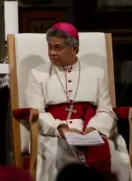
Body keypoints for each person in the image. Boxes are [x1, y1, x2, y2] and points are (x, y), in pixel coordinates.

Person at [24, 22, 131, 181]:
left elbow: (106, 109)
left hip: (91, 130)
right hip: (55, 134)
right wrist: (60, 128)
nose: (52, 53)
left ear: (74, 49)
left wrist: (93, 129)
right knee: (55, 156)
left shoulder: (96, 73)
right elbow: (37, 111)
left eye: (58, 48)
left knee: (117, 158)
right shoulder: (37, 74)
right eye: (50, 47)